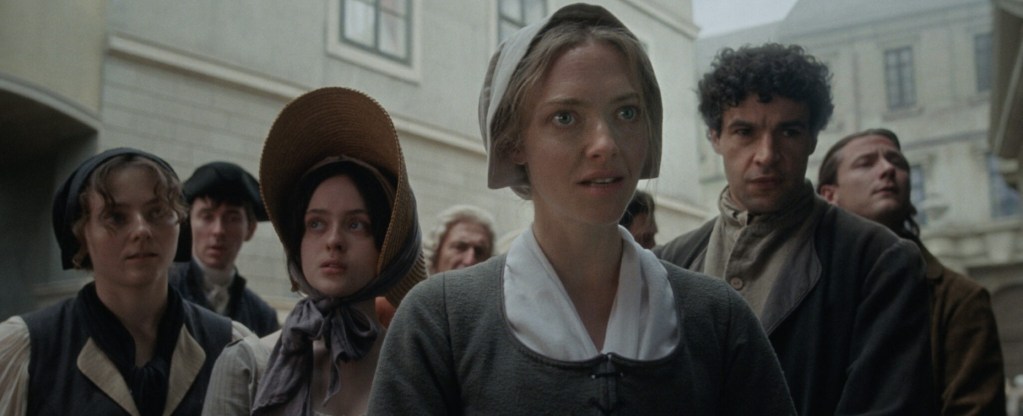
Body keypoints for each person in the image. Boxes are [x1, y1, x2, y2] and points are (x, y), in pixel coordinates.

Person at [368, 4, 794, 415]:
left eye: (627, 112)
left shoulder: (717, 319)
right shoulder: (441, 321)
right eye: (566, 118)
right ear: (513, 142)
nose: (605, 143)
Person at [654, 43, 936, 414]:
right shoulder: (665, 265)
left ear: (812, 139)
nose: (766, 155)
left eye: (788, 131)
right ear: (715, 137)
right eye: (745, 131)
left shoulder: (878, 259)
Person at [201, 87, 426, 416]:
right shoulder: (248, 365)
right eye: (316, 224)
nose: (333, 241)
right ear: (298, 240)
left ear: (387, 242)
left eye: (356, 224)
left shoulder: (417, 370)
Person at [0, 147, 252, 415]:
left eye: (157, 212)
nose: (141, 230)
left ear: (179, 222)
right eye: (116, 217)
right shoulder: (28, 351)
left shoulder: (229, 344)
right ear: (82, 235)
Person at [817, 128, 1006, 415]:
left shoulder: (959, 299)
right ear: (830, 195)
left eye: (897, 162)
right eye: (866, 163)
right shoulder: (807, 290)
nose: (887, 169)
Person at [170, 161, 280, 336]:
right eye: (207, 217)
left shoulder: (262, 316)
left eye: (232, 218)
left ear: (250, 229)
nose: (218, 231)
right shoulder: (163, 292)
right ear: (188, 223)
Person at [376, 204, 495, 328]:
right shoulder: (392, 308)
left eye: (479, 251)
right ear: (436, 253)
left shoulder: (491, 324)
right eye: (460, 247)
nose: (469, 260)